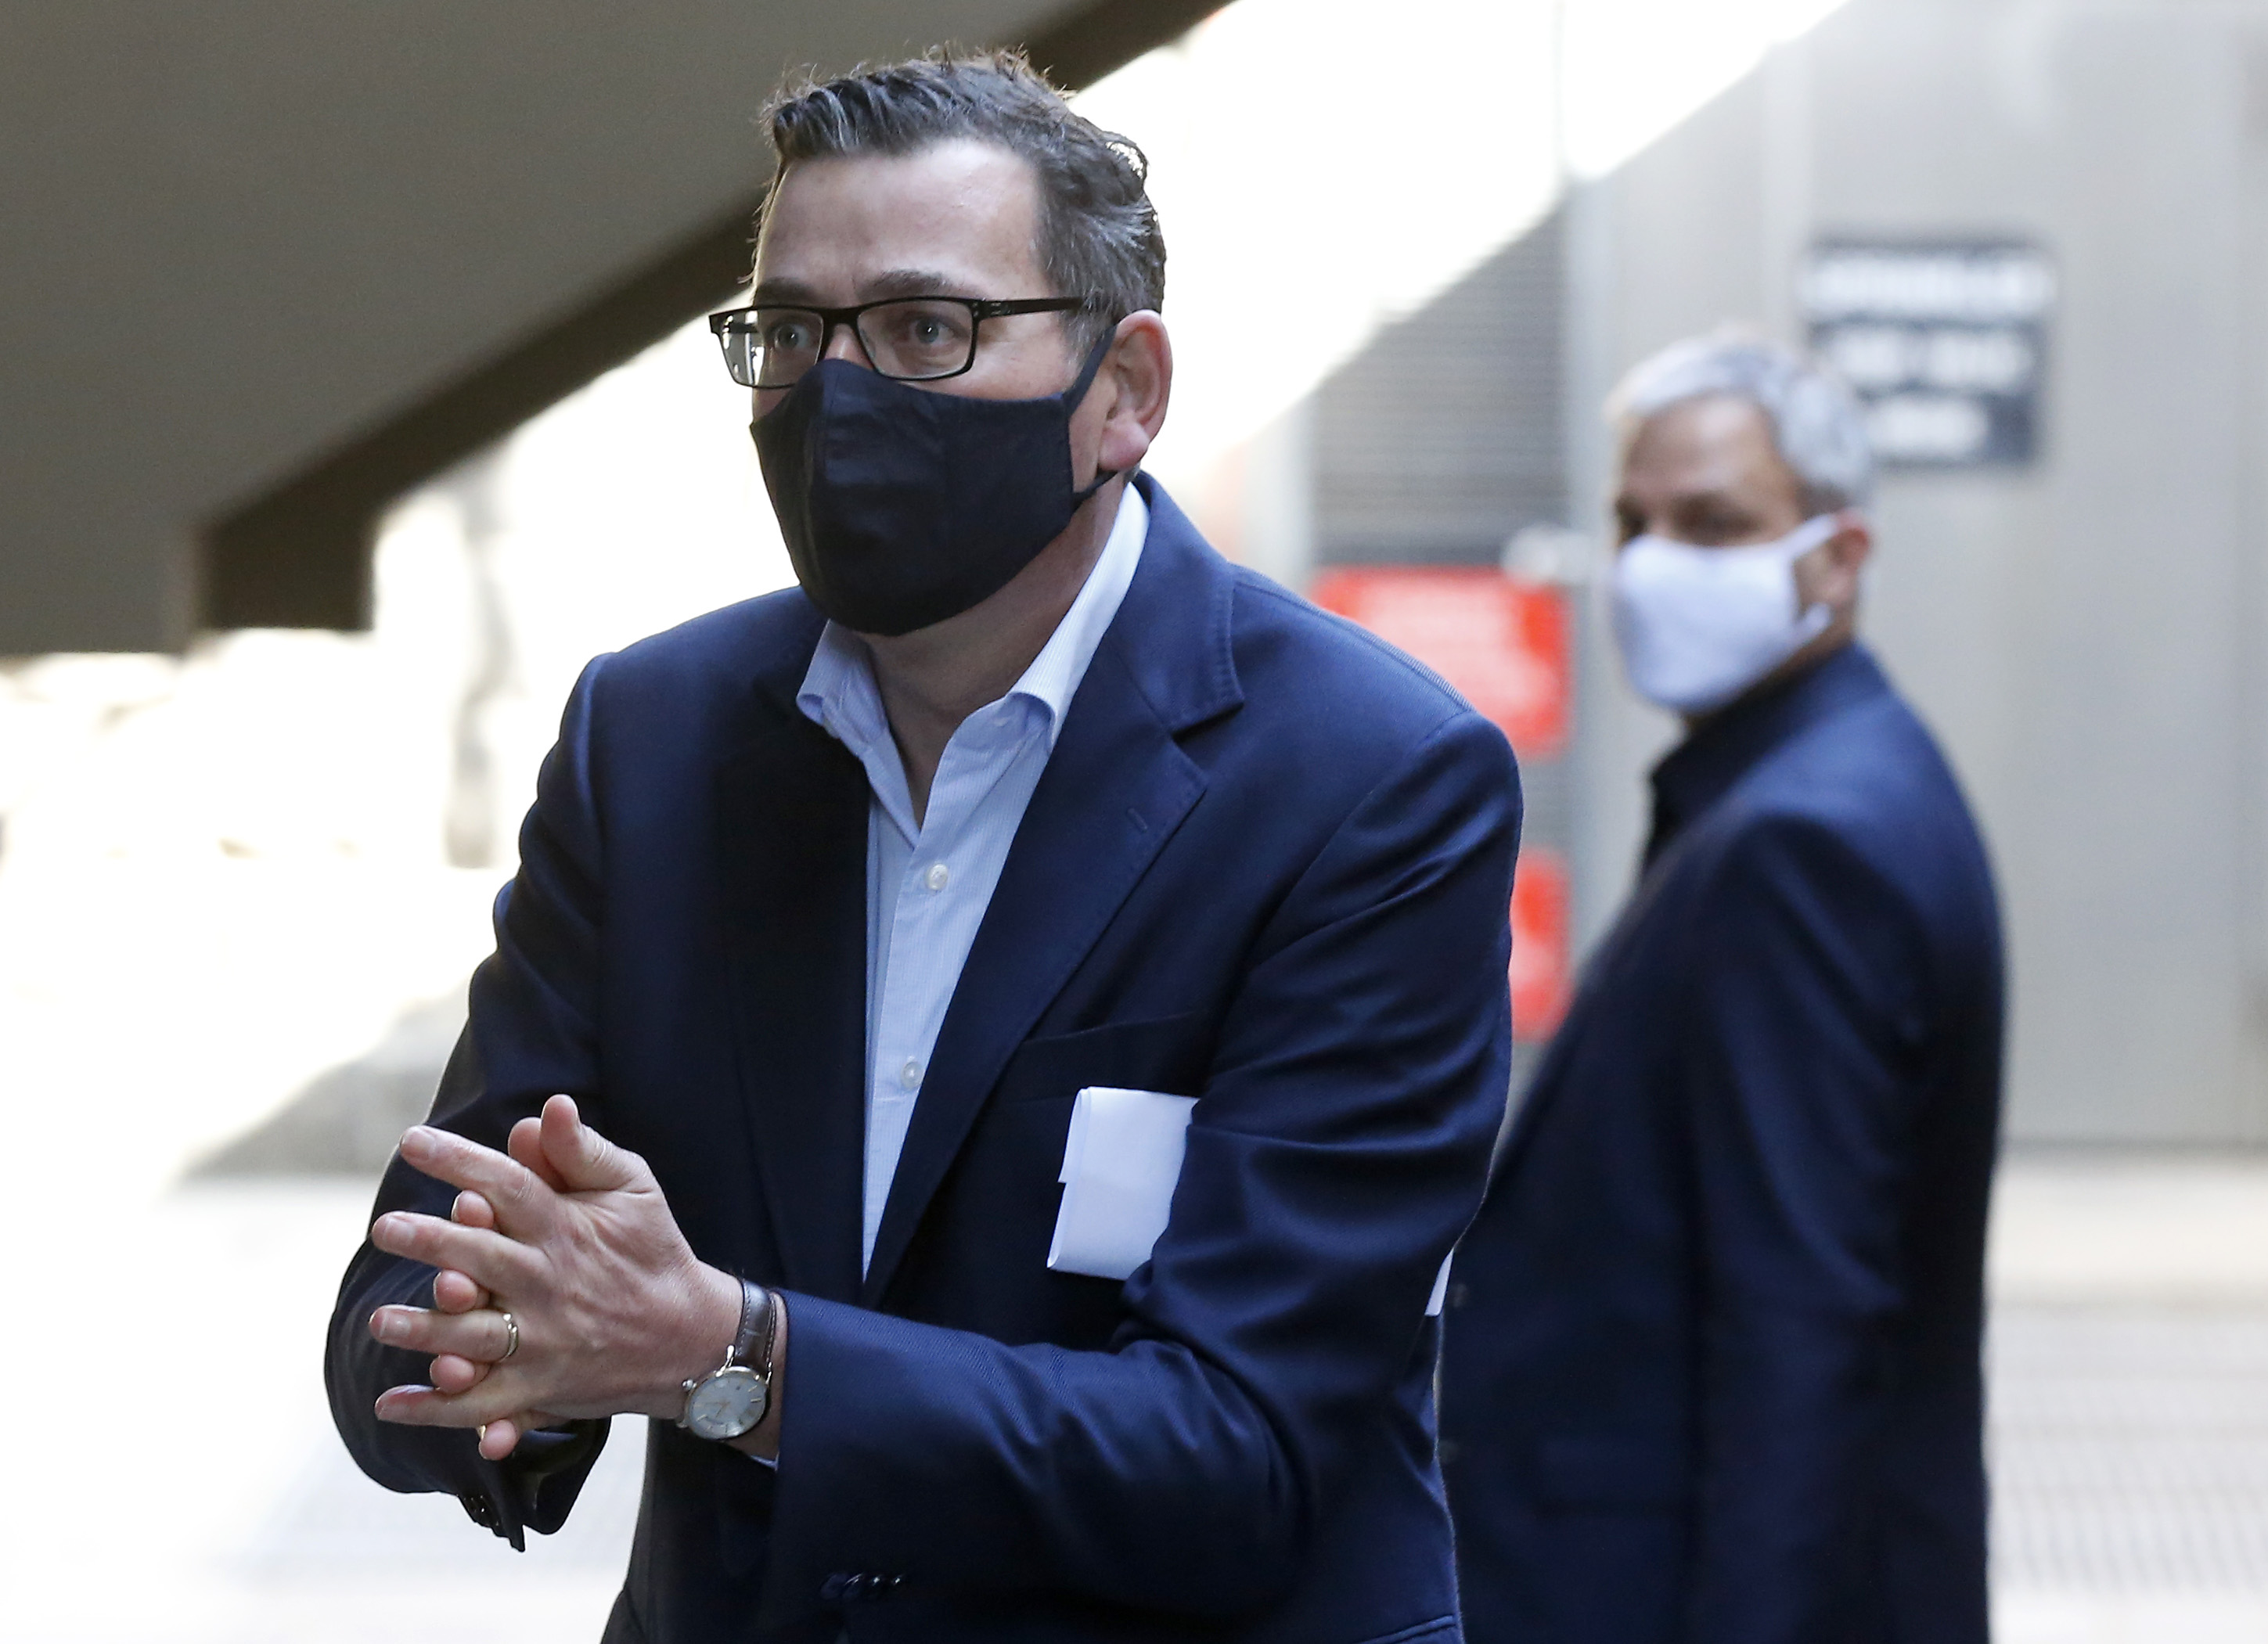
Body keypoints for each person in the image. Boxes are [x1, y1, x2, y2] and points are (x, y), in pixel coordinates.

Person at [325, 52, 1521, 1644]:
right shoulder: (655, 738)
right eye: (789, 333)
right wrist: (496, 1349)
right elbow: (411, 1299)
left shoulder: (1368, 782)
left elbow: (1243, 1452)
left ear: (1125, 391)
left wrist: (721, 1356)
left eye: (924, 328)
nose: (837, 389)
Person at [1438, 333, 2003, 1643]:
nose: (1650, 566)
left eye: (1712, 524)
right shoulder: (1805, 786)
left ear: (1840, 555)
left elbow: (1799, 1333)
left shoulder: (1804, 846)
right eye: (1631, 521)